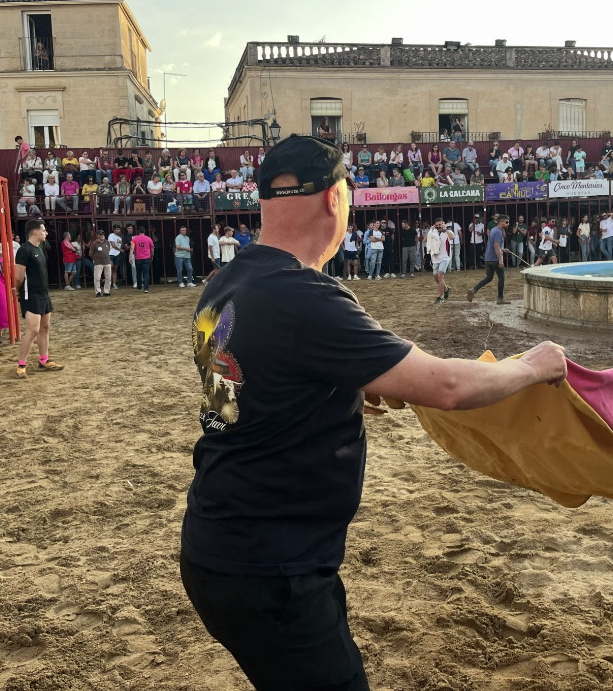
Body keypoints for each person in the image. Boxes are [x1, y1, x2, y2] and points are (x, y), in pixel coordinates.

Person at [179, 136, 567, 691]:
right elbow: (447, 386)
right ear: (335, 199)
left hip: (220, 542)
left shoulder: (226, 283)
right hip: (272, 567)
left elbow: (236, 394)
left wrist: (333, 388)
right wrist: (531, 365)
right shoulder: (307, 297)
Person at [13, 220, 63, 378]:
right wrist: (17, 290)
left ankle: (43, 360)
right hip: (31, 294)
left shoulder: (39, 249)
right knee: (33, 330)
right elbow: (18, 276)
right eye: (43, 230)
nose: (46, 233)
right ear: (35, 232)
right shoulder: (24, 250)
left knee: (45, 327)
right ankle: (21, 364)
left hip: (43, 293)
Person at [467, 214, 509, 304]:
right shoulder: (498, 232)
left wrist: (502, 249)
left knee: (489, 277)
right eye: (506, 222)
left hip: (488, 258)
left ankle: (473, 290)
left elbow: (494, 245)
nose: (508, 224)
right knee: (501, 277)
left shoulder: (493, 230)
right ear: (501, 222)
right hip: (495, 258)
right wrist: (500, 260)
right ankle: (500, 298)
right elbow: (496, 246)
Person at [424, 217, 455, 304]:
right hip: (435, 258)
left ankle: (440, 297)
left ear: (443, 224)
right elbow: (425, 240)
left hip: (444, 257)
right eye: (437, 225)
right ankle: (446, 289)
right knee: (436, 278)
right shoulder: (434, 232)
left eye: (440, 225)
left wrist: (445, 229)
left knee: (440, 275)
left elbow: (453, 237)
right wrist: (430, 230)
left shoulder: (447, 231)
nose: (438, 226)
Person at [132, 224, 154, 293]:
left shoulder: (134, 239)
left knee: (138, 273)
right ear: (145, 231)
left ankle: (139, 287)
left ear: (138, 231)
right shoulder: (149, 239)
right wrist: (152, 256)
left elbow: (132, 248)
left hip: (138, 258)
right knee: (146, 273)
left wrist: (130, 256)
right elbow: (152, 249)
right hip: (146, 257)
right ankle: (146, 288)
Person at [90, 229, 112, 297]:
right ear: (97, 236)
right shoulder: (94, 243)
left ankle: (106, 291)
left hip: (107, 262)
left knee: (108, 278)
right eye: (101, 234)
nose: (102, 236)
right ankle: (98, 292)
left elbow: (109, 250)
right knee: (97, 278)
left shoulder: (107, 242)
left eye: (103, 234)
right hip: (98, 263)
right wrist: (96, 258)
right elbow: (91, 253)